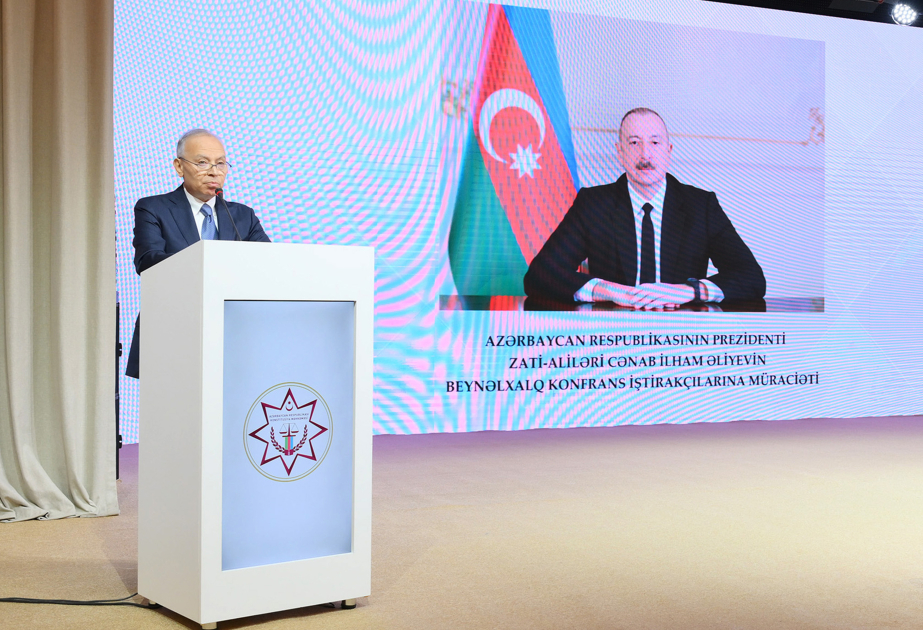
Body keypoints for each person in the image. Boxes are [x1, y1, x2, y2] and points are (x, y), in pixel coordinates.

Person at [523, 108, 765, 308]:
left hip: (683, 341)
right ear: (620, 152)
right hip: (613, 338)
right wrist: (607, 290)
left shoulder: (701, 206)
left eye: (655, 142)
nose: (645, 154)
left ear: (669, 151)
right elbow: (540, 275)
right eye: (634, 143)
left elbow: (751, 277)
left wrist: (689, 291)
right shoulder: (594, 203)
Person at [125, 129, 271, 378]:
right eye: (203, 162)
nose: (214, 171)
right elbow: (147, 261)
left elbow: (269, 264)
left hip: (233, 333)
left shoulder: (242, 215)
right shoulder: (153, 208)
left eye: (221, 163)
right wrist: (207, 263)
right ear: (179, 167)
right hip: (171, 330)